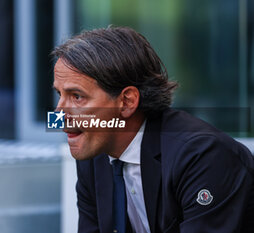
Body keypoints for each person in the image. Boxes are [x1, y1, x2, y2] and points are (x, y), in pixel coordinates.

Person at [51, 27, 254, 233]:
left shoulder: (203, 156)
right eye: (59, 94)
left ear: (127, 102)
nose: (59, 114)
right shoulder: (94, 157)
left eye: (77, 96)